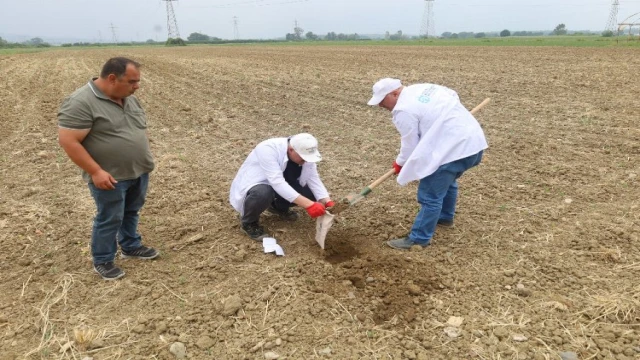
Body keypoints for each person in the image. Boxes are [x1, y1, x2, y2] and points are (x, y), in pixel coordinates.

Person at [58, 57, 159, 280]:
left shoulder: (128, 98)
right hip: (109, 176)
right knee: (110, 217)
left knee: (131, 211)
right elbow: (68, 141)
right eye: (132, 81)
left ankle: (130, 246)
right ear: (112, 78)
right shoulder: (80, 102)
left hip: (138, 170)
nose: (137, 86)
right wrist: (95, 171)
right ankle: (103, 259)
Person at [367, 78, 488, 250]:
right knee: (447, 180)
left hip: (454, 149)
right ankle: (445, 217)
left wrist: (400, 163)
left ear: (394, 93)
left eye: (381, 100)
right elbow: (453, 94)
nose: (380, 105)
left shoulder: (403, 110)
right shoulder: (424, 88)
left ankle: (418, 239)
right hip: (473, 144)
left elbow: (410, 144)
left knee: (430, 194)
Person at [230, 133, 335, 240]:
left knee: (312, 194)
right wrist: (309, 205)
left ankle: (277, 207)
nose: (306, 161)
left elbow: (313, 178)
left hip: (284, 181)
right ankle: (249, 223)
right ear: (291, 149)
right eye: (303, 158)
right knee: (262, 193)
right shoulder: (267, 149)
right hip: (261, 184)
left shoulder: (303, 151)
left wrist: (326, 200)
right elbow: (277, 182)